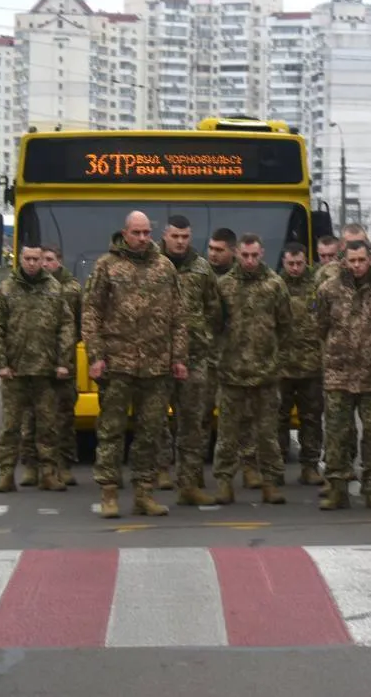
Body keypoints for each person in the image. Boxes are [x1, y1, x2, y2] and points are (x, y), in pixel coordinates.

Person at [81, 211, 188, 519]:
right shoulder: (107, 266)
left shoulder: (164, 267)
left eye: (146, 233)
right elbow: (91, 313)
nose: (143, 238)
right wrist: (95, 356)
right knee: (112, 431)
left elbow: (179, 317)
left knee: (150, 432)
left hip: (156, 367)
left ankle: (144, 493)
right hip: (117, 365)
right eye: (137, 233)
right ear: (125, 233)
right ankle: (109, 492)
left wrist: (178, 358)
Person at [315, 240, 371, 509]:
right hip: (338, 375)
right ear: (344, 261)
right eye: (352, 261)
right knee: (336, 434)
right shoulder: (328, 289)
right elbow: (320, 326)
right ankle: (336, 488)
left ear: (370, 259)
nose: (356, 266)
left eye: (361, 260)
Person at [0, 245, 76, 493]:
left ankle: (48, 473)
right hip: (15, 371)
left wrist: (62, 362)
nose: (32, 263)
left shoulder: (54, 290)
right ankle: (6, 474)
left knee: (47, 426)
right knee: (11, 427)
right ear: (20, 260)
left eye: (36, 259)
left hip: (46, 372)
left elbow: (66, 328)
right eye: (27, 259)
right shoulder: (7, 289)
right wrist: (1, 363)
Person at [210, 233, 291, 505]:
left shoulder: (275, 285)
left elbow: (285, 325)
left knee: (268, 434)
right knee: (227, 435)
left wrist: (276, 359)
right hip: (232, 373)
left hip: (265, 373)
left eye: (254, 255)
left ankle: (270, 482)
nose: (249, 260)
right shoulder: (225, 285)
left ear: (262, 253)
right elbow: (215, 325)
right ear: (236, 254)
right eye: (245, 255)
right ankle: (224, 482)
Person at [156, 215, 220, 507]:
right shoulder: (152, 266)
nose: (180, 241)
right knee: (154, 420)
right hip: (156, 358)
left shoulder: (202, 269)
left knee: (193, 423)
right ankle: (159, 471)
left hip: (194, 358)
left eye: (185, 236)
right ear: (165, 235)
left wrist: (202, 336)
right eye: (175, 236)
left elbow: (214, 310)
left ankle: (189, 483)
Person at [277, 242, 325, 486]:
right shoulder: (275, 286)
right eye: (290, 263)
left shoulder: (318, 286)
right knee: (278, 419)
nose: (295, 268)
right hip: (282, 366)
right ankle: (277, 467)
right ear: (284, 262)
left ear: (305, 261)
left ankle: (310, 466)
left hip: (311, 366)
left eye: (299, 263)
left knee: (312, 419)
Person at [39, 244, 83, 486]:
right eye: (42, 259)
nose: (45, 264)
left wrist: (67, 351)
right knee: (40, 417)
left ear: (60, 262)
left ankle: (65, 465)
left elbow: (78, 323)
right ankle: (41, 466)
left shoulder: (73, 289)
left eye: (50, 260)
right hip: (39, 362)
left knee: (65, 416)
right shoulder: (34, 288)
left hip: (66, 362)